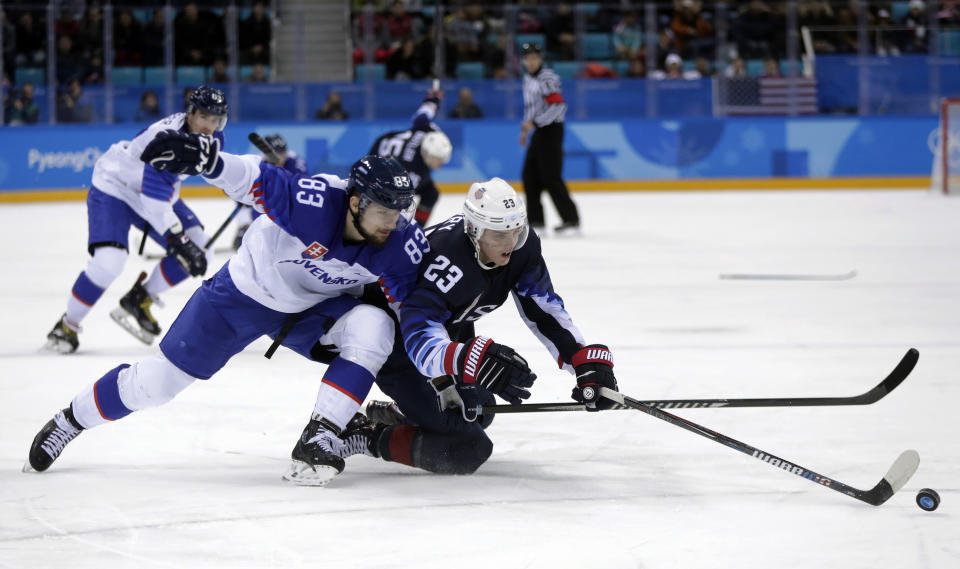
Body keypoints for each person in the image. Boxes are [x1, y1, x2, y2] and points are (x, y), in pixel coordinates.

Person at [26, 140, 429, 488]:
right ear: (355, 202)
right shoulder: (316, 201)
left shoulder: (400, 242)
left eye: (399, 213)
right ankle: (71, 420)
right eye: (384, 213)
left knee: (374, 327)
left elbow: (412, 307)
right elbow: (253, 178)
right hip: (241, 295)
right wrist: (208, 159)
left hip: (312, 309)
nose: (393, 223)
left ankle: (321, 436)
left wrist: (446, 369)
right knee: (157, 384)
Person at [326, 178, 620, 475]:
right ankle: (364, 436)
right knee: (464, 449)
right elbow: (418, 337)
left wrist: (581, 360)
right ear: (474, 231)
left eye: (515, 231)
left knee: (477, 406)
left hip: (448, 330)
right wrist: (468, 360)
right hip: (395, 342)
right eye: (499, 234)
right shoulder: (442, 262)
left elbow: (543, 308)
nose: (510, 243)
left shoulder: (522, 246)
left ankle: (405, 413)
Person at [43, 85, 228, 354]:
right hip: (116, 187)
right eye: (204, 118)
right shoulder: (165, 140)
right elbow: (153, 204)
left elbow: (213, 168)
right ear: (191, 114)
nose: (210, 126)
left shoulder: (213, 137)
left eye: (216, 120)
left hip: (157, 192)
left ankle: (140, 299)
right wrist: (177, 238)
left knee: (201, 250)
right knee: (109, 263)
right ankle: (67, 325)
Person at [519, 43, 580, 235]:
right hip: (539, 131)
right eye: (528, 58)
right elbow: (531, 107)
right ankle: (536, 221)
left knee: (551, 177)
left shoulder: (547, 77)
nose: (531, 61)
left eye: (535, 58)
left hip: (552, 130)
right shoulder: (527, 79)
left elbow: (558, 106)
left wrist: (534, 123)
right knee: (530, 176)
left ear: (541, 59)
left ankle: (571, 220)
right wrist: (527, 129)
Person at [369, 89, 452, 226]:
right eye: (438, 159)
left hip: (390, 148)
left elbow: (421, 117)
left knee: (431, 193)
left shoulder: (427, 131)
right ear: (427, 155)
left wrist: (432, 100)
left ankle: (418, 228)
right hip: (383, 169)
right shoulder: (411, 169)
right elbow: (398, 200)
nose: (441, 163)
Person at [232, 132, 308, 250]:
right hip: (264, 206)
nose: (280, 157)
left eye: (282, 153)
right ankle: (245, 228)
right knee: (245, 203)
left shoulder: (296, 163)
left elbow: (302, 190)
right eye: (276, 154)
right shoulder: (256, 164)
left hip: (290, 206)